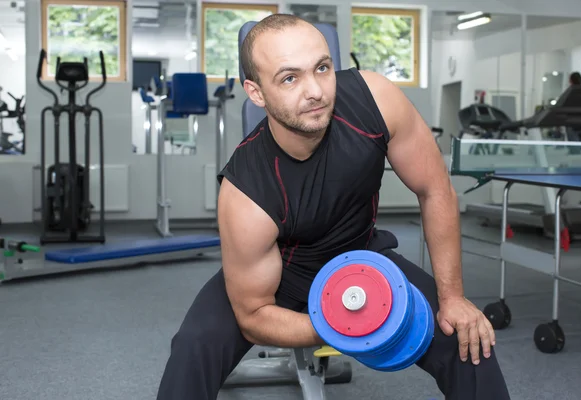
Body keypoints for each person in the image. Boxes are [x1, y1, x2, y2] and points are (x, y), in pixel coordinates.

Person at [156, 14, 511, 400]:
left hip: (362, 254)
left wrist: (453, 298)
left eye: (322, 68)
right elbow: (254, 316)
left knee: (468, 341)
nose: (315, 91)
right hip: (281, 278)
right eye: (289, 78)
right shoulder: (246, 193)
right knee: (193, 349)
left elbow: (435, 189)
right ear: (256, 93)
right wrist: (346, 322)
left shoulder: (375, 100)